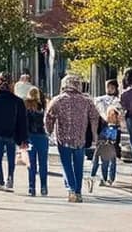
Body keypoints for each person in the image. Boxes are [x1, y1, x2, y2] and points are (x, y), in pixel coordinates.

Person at [44, 74, 101, 203]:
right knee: (78, 166)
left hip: (63, 138)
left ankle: (71, 189)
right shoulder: (86, 101)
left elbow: (49, 116)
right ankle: (78, 191)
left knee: (66, 164)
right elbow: (95, 117)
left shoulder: (58, 100)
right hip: (80, 138)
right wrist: (94, 133)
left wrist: (49, 130)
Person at [0, 73, 29, 193]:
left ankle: (0, 180)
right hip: (11, 133)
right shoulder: (18, 101)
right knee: (11, 158)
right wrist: (23, 138)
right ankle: (10, 178)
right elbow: (22, 121)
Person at [89, 106, 122, 191]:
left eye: (114, 115)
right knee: (104, 163)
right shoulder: (104, 124)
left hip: (112, 146)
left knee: (112, 163)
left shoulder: (117, 127)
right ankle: (103, 178)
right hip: (103, 145)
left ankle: (110, 179)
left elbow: (117, 139)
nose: (112, 117)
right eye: (111, 115)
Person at [24, 87, 50, 196]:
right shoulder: (44, 106)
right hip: (42, 137)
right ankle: (43, 186)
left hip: (30, 137)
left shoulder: (26, 106)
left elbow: (24, 123)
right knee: (43, 163)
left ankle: (32, 187)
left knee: (31, 164)